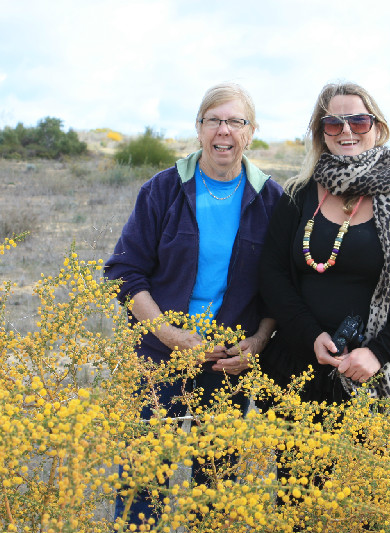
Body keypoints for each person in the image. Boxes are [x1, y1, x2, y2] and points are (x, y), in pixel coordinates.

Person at [104, 82, 282, 528]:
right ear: (199, 128)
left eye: (235, 121)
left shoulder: (272, 200)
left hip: (228, 365)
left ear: (251, 131)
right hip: (158, 360)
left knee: (216, 489)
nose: (224, 130)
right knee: (143, 484)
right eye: (214, 120)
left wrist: (258, 341)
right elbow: (125, 273)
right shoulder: (163, 190)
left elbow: (282, 288)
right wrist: (167, 334)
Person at [258, 81, 390, 410]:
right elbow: (272, 272)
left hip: (380, 372)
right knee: (300, 463)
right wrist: (311, 336)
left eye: (359, 121)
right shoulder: (298, 193)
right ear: (321, 132)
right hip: (300, 366)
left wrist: (377, 353)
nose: (346, 130)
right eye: (333, 123)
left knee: (368, 463)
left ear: (378, 128)